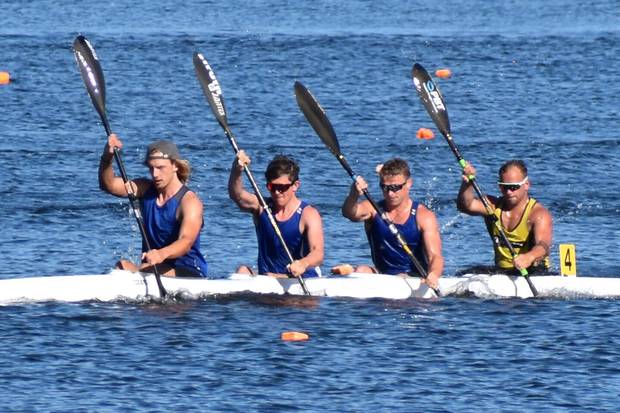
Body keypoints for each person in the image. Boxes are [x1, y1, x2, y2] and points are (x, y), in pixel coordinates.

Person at [99, 134, 208, 277]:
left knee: (128, 267)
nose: (155, 174)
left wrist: (161, 254)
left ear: (175, 165)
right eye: (151, 168)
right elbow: (109, 185)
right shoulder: (145, 189)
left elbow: (186, 242)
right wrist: (107, 157)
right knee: (123, 265)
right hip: (154, 266)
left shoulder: (189, 202)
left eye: (160, 168)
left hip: (189, 272)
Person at [341, 158, 443, 289]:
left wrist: (434, 274)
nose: (390, 193)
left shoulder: (424, 216)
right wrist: (354, 194)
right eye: (385, 187)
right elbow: (349, 213)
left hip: (413, 277)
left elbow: (435, 256)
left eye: (395, 187)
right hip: (383, 274)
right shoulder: (373, 209)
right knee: (362, 270)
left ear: (409, 184)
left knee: (400, 277)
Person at [228, 151, 324, 278]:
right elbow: (237, 195)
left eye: (282, 187)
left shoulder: (308, 214)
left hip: (298, 278)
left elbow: (318, 253)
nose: (277, 192)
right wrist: (237, 170)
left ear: (295, 185)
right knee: (242, 271)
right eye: (272, 187)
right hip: (268, 279)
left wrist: (302, 263)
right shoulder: (262, 206)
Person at [456, 159, 552, 274]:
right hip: (502, 271)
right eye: (504, 187)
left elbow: (544, 245)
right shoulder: (492, 206)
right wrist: (467, 184)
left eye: (513, 187)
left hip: (533, 271)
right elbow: (466, 206)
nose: (509, 192)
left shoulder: (538, 214)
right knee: (463, 274)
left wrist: (529, 257)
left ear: (526, 185)